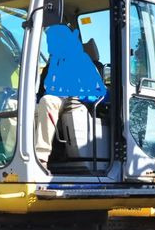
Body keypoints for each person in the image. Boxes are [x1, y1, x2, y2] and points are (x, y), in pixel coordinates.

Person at [34, 24, 106, 169]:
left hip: (75, 102)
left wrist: (81, 95)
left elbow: (100, 92)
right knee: (17, 105)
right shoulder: (50, 67)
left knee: (48, 101)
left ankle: (40, 158)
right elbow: (41, 92)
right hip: (54, 101)